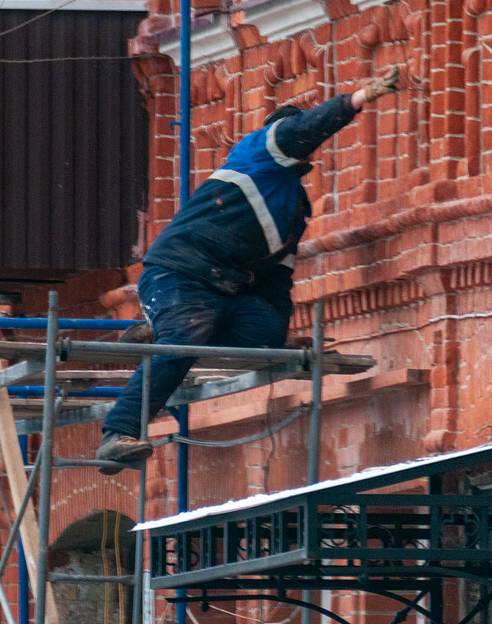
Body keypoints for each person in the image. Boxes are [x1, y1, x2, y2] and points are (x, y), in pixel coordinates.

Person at [96, 66, 402, 471]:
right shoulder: (257, 151)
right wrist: (355, 100)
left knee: (262, 340)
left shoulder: (292, 206)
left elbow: (278, 278)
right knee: (185, 337)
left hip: (225, 290)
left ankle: (159, 329)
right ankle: (118, 434)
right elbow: (302, 130)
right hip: (180, 272)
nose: (304, 144)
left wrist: (278, 336)